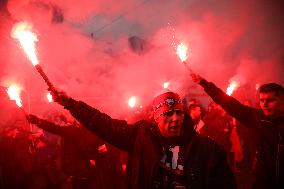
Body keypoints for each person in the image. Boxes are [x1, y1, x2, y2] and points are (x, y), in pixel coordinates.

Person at [48, 88, 236, 189]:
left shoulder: (207, 148)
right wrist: (69, 103)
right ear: (155, 117)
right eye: (168, 114)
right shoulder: (140, 136)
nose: (175, 119)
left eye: (179, 113)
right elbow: (103, 123)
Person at [190, 72, 284, 189]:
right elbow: (230, 104)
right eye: (262, 100)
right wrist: (204, 83)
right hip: (263, 181)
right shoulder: (257, 118)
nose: (264, 104)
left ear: (282, 100)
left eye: (270, 100)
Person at [26, 113, 126, 189]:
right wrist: (38, 122)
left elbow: (104, 153)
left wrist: (97, 159)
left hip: (92, 175)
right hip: (81, 174)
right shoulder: (74, 131)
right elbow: (56, 129)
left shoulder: (96, 133)